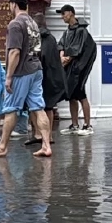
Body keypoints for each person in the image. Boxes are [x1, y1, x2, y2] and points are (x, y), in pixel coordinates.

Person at [0, 0, 50, 159]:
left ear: (13, 4)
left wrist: (8, 76)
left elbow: (14, 51)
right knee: (38, 107)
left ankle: (2, 147)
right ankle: (46, 145)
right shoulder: (33, 23)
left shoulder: (15, 24)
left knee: (11, 108)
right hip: (36, 69)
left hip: (22, 71)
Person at [59, 4, 96, 135]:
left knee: (81, 95)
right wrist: (62, 56)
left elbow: (77, 50)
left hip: (78, 69)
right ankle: (74, 125)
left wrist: (67, 59)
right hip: (69, 69)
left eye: (64, 13)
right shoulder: (67, 31)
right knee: (72, 97)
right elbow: (61, 45)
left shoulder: (81, 31)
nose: (62, 16)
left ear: (71, 13)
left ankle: (87, 125)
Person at [35, 13, 66, 145]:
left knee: (41, 106)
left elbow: (42, 57)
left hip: (43, 75)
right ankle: (48, 135)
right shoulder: (51, 38)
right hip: (53, 76)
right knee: (49, 106)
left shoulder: (41, 38)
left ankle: (41, 134)